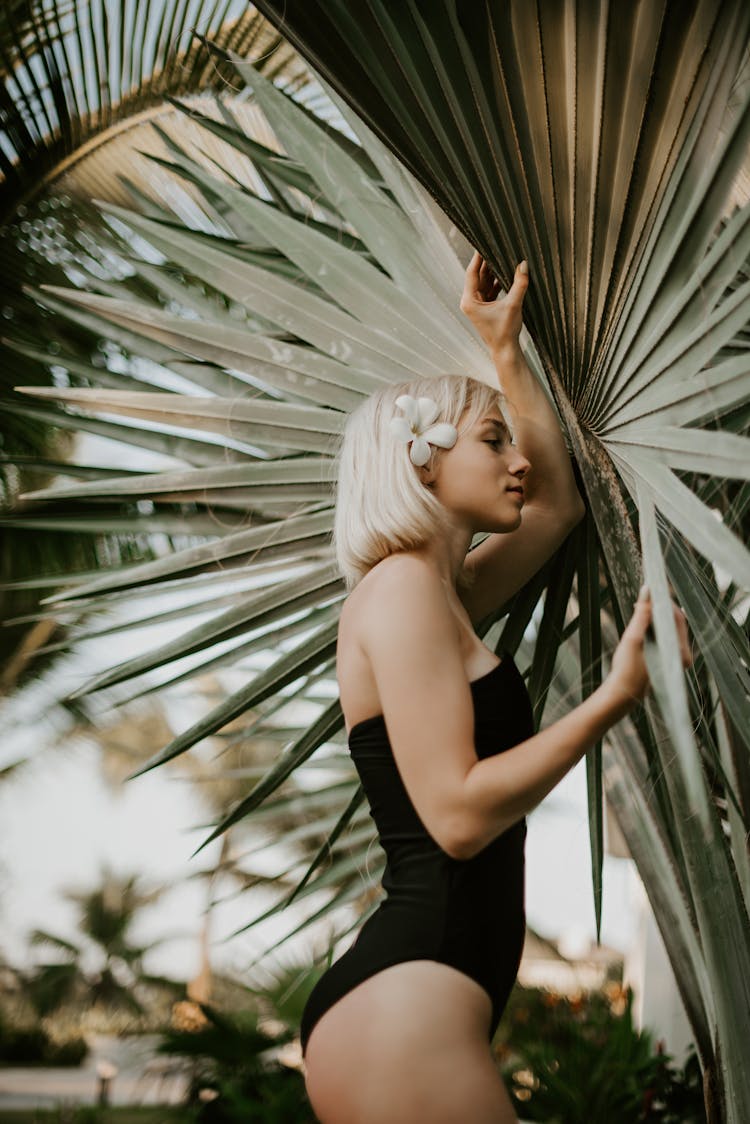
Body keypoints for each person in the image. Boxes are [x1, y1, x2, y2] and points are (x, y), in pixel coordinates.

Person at [300, 252, 692, 1124]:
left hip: (419, 999)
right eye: (492, 442)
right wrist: (613, 698)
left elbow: (558, 507)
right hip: (407, 999)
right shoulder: (401, 591)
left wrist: (505, 351)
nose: (516, 460)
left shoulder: (439, 593)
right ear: (422, 463)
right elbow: (459, 816)